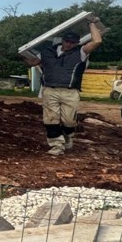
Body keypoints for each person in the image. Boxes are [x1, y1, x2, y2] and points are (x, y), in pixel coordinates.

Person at [22, 17, 103, 155]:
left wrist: (92, 23)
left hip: (70, 92)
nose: (69, 44)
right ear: (62, 40)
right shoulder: (47, 52)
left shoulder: (80, 52)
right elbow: (33, 62)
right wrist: (22, 54)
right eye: (67, 41)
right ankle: (56, 146)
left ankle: (68, 137)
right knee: (51, 119)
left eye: (73, 42)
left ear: (77, 43)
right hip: (50, 89)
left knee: (69, 120)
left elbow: (97, 41)